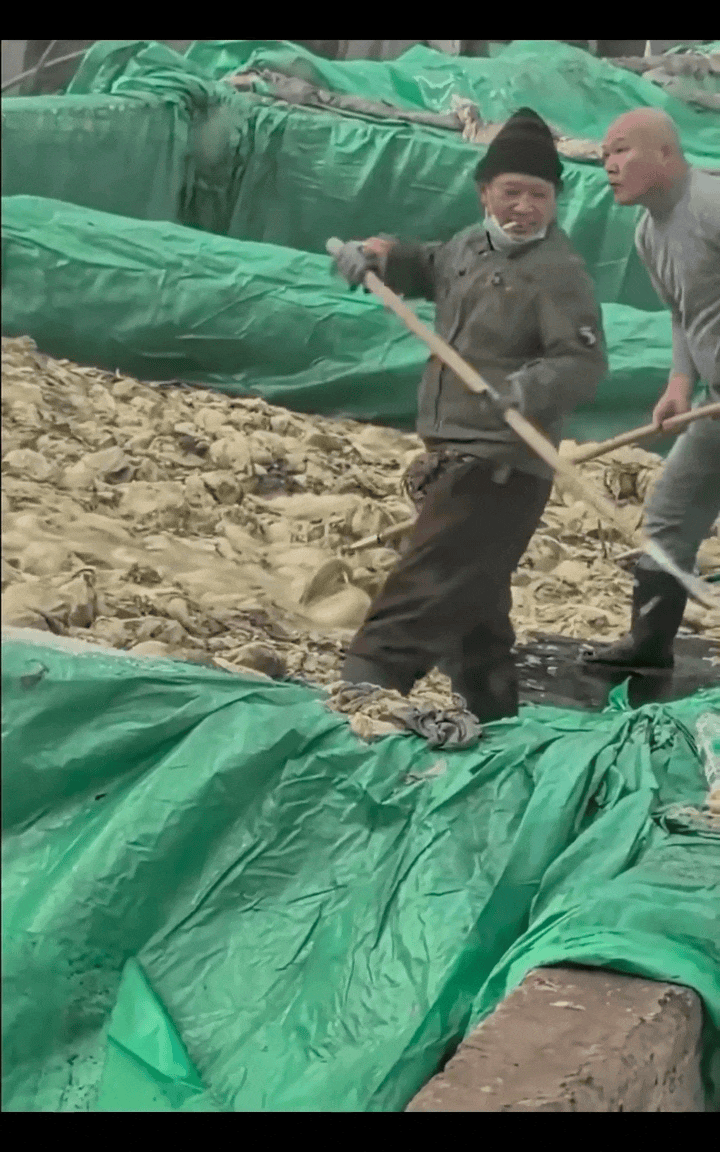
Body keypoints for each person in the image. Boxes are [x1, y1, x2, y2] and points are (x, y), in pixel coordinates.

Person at [331, 108, 608, 722]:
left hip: (499, 466)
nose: (525, 207)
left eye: (540, 195)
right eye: (512, 191)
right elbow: (428, 264)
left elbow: (583, 365)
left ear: (556, 202)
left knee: (422, 590)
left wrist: (523, 388)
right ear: (485, 192)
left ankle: (362, 692)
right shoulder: (467, 245)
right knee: (473, 612)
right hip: (449, 453)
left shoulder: (559, 275)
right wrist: (378, 255)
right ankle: (493, 716)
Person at [586, 108, 720, 670]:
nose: (610, 167)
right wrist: (680, 382)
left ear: (665, 153)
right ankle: (650, 644)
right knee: (669, 513)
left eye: (621, 151)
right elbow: (682, 313)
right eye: (604, 158)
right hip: (716, 404)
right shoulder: (647, 233)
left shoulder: (711, 205)